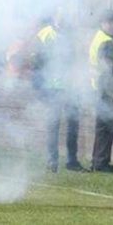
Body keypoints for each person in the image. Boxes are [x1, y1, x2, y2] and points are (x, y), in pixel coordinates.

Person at [33, 9, 84, 173]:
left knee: (73, 124)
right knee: (53, 125)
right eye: (60, 16)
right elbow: (37, 61)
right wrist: (41, 86)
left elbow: (76, 59)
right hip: (52, 87)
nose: (62, 20)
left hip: (70, 87)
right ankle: (52, 160)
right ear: (54, 17)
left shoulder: (71, 35)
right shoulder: (44, 34)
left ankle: (71, 160)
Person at [88, 10, 113, 172]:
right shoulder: (107, 41)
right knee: (107, 126)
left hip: (96, 88)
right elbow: (107, 70)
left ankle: (98, 161)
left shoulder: (97, 37)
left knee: (102, 126)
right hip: (104, 89)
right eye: (112, 23)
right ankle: (101, 162)